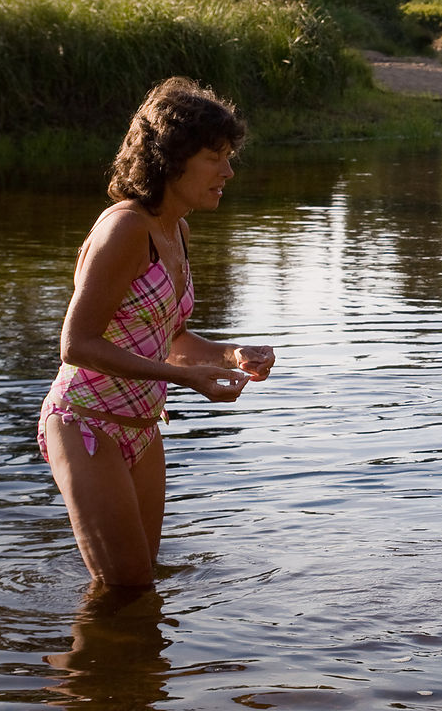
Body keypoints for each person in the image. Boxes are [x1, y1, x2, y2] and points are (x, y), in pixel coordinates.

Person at [38, 77, 275, 587]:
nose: (228, 171)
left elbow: (173, 337)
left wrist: (234, 354)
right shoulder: (125, 228)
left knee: (140, 586)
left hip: (142, 429)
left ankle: (125, 669)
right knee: (125, 587)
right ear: (172, 157)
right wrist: (184, 379)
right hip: (85, 423)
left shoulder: (177, 229)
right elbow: (76, 345)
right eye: (216, 157)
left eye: (229, 156)